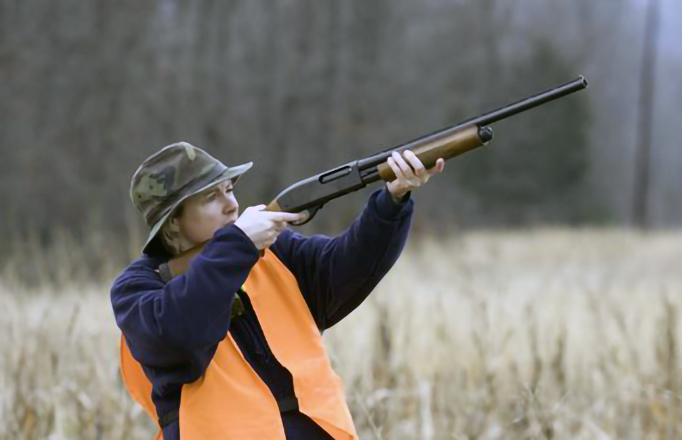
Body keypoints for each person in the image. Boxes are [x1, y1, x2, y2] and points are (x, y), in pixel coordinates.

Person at [110, 141, 445, 439]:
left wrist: (392, 200)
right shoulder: (138, 289)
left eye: (229, 189)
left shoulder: (275, 251)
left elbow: (346, 270)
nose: (231, 205)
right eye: (212, 197)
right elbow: (180, 335)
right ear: (172, 222)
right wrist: (237, 246)